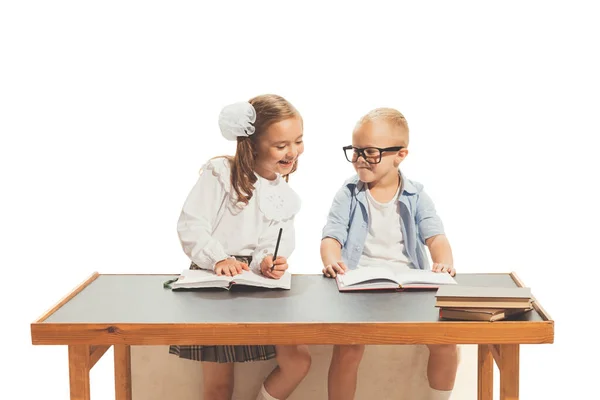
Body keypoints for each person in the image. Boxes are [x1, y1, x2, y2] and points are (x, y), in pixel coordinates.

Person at [170, 94, 310, 400]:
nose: (293, 152)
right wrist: (219, 258)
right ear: (254, 142)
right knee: (219, 385)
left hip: (254, 283)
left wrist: (267, 261)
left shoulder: (282, 191)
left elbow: (272, 240)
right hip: (214, 282)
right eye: (281, 145)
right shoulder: (222, 172)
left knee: (297, 360)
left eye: (298, 141)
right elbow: (191, 225)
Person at [320, 107, 458, 400]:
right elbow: (332, 235)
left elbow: (436, 236)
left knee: (446, 342)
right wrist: (331, 259)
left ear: (400, 155)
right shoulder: (349, 193)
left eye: (370, 152)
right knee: (348, 347)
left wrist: (444, 262)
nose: (359, 159)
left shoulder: (416, 195)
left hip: (409, 284)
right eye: (355, 151)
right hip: (360, 284)